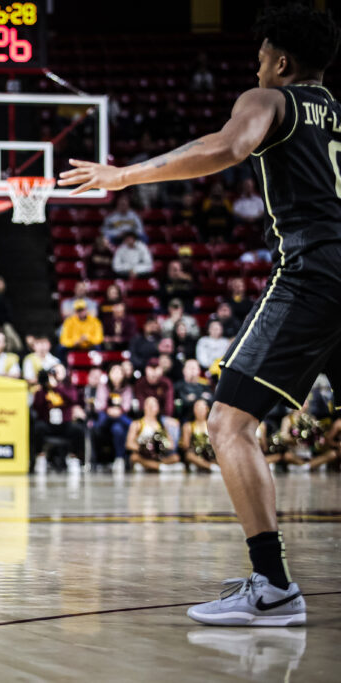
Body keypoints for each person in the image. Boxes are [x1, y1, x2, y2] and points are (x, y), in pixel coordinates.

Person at [58, 3, 336, 625]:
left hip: (315, 274)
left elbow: (227, 146)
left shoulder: (273, 101)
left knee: (228, 425)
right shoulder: (339, 113)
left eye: (261, 56)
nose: (255, 64)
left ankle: (272, 587)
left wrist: (125, 174)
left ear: (281, 61)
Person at [126, 396, 182, 472]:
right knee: (134, 457)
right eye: (149, 405)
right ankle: (161, 467)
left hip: (159, 456)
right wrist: (144, 449)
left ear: (158, 408)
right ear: (144, 407)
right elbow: (129, 444)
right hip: (143, 455)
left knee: (175, 457)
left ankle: (150, 466)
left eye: (154, 405)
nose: (151, 407)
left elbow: (171, 444)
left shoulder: (161, 425)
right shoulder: (137, 424)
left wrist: (160, 447)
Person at [182, 399, 218, 472]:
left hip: (210, 455)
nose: (200, 411)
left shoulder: (212, 425)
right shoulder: (188, 426)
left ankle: (206, 465)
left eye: (202, 408)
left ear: (207, 409)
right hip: (196, 456)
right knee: (189, 455)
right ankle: (210, 467)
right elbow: (185, 446)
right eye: (198, 408)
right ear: (194, 410)